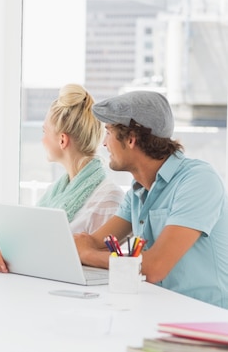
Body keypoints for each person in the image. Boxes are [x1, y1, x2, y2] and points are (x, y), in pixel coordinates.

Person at [74, 90, 228, 308]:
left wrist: (88, 254)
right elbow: (93, 241)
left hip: (205, 323)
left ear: (131, 139)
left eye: (108, 132)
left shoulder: (198, 181)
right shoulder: (137, 193)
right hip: (158, 314)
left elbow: (155, 267)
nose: (104, 144)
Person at [0, 84, 123, 272]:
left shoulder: (108, 199)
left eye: (44, 132)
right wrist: (10, 255)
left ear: (62, 140)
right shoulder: (56, 193)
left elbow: (104, 267)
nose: (42, 140)